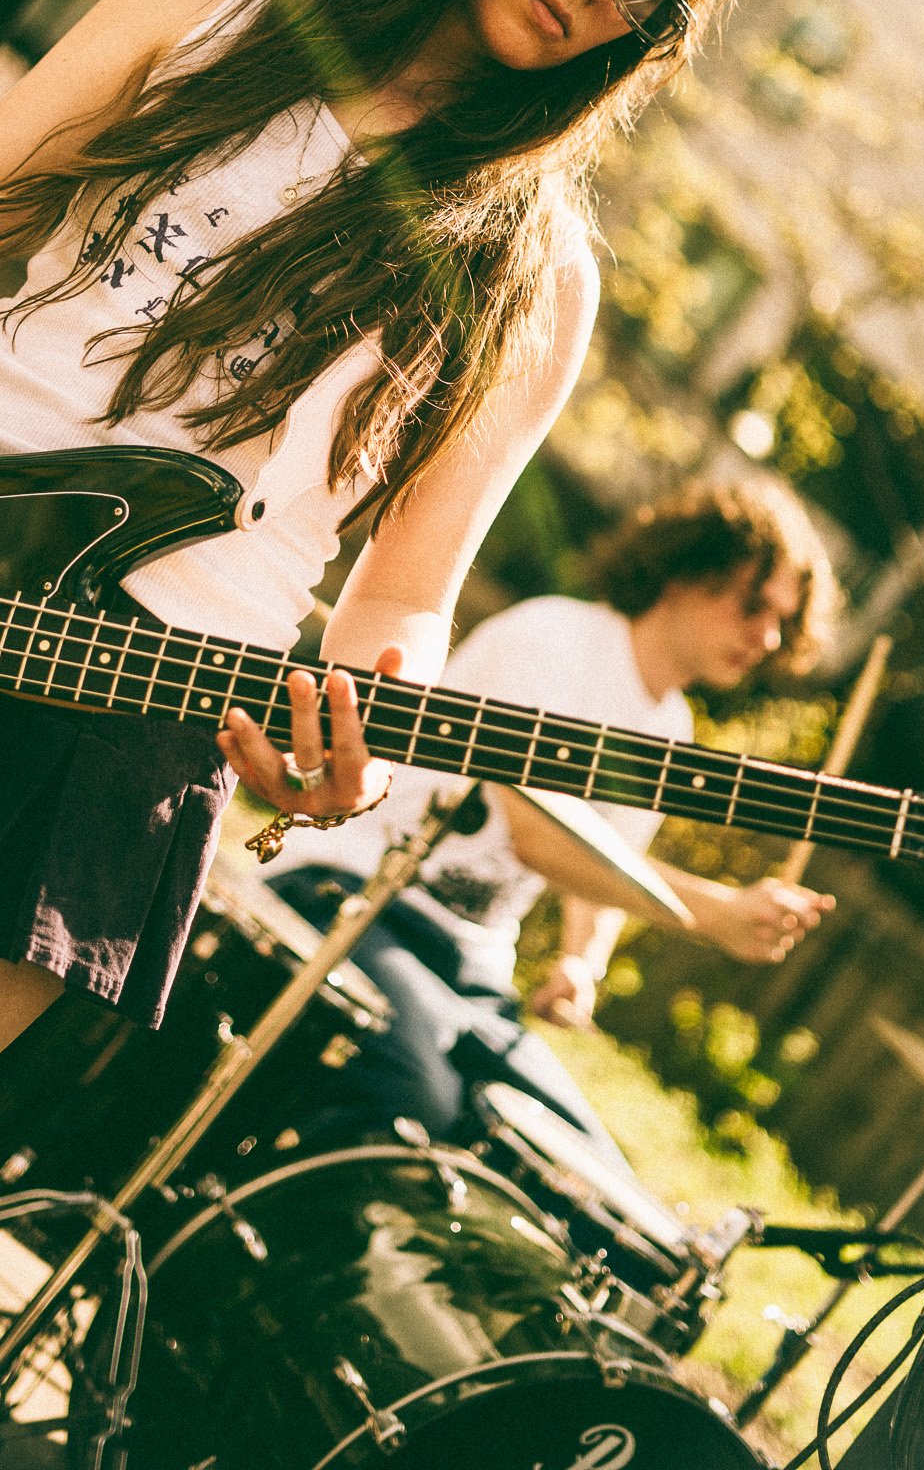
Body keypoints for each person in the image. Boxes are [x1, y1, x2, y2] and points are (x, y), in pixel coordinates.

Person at [0, 0, 771, 1470]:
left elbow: (403, 596)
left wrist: (342, 740)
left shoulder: (537, 266)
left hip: (107, 711)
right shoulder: (219, 3)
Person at [267, 479, 839, 1154]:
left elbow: (602, 864)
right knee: (415, 1101)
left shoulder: (668, 725)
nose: (766, 636)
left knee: (575, 1166)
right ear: (688, 570)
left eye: (781, 621)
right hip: (355, 894)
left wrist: (580, 963)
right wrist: (714, 912)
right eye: (753, 604)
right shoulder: (554, 638)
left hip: (468, 963)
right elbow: (540, 832)